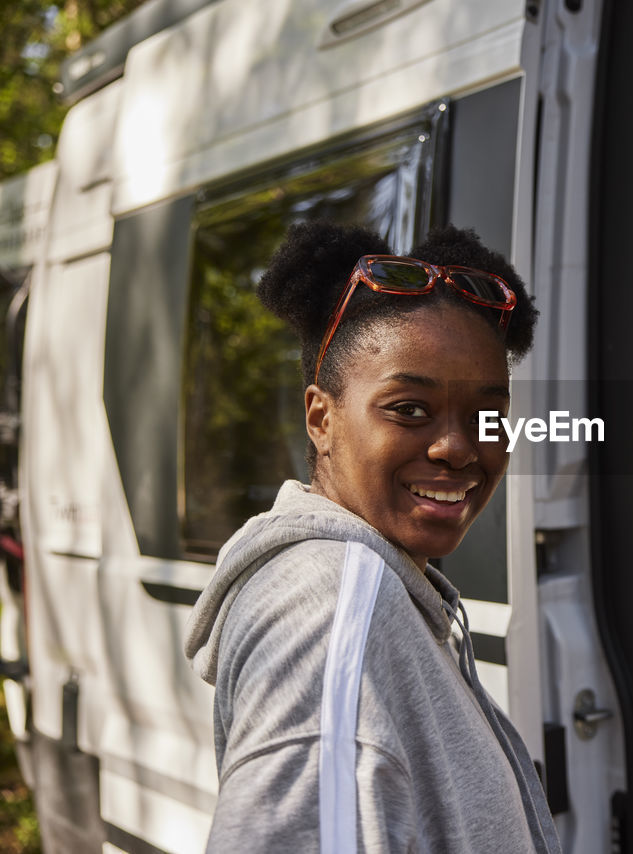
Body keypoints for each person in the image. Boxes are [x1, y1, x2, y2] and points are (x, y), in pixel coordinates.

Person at [183, 220, 560, 853]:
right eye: (408, 409)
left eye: (487, 415)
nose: (458, 448)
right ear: (321, 418)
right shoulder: (331, 612)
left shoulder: (383, 587)